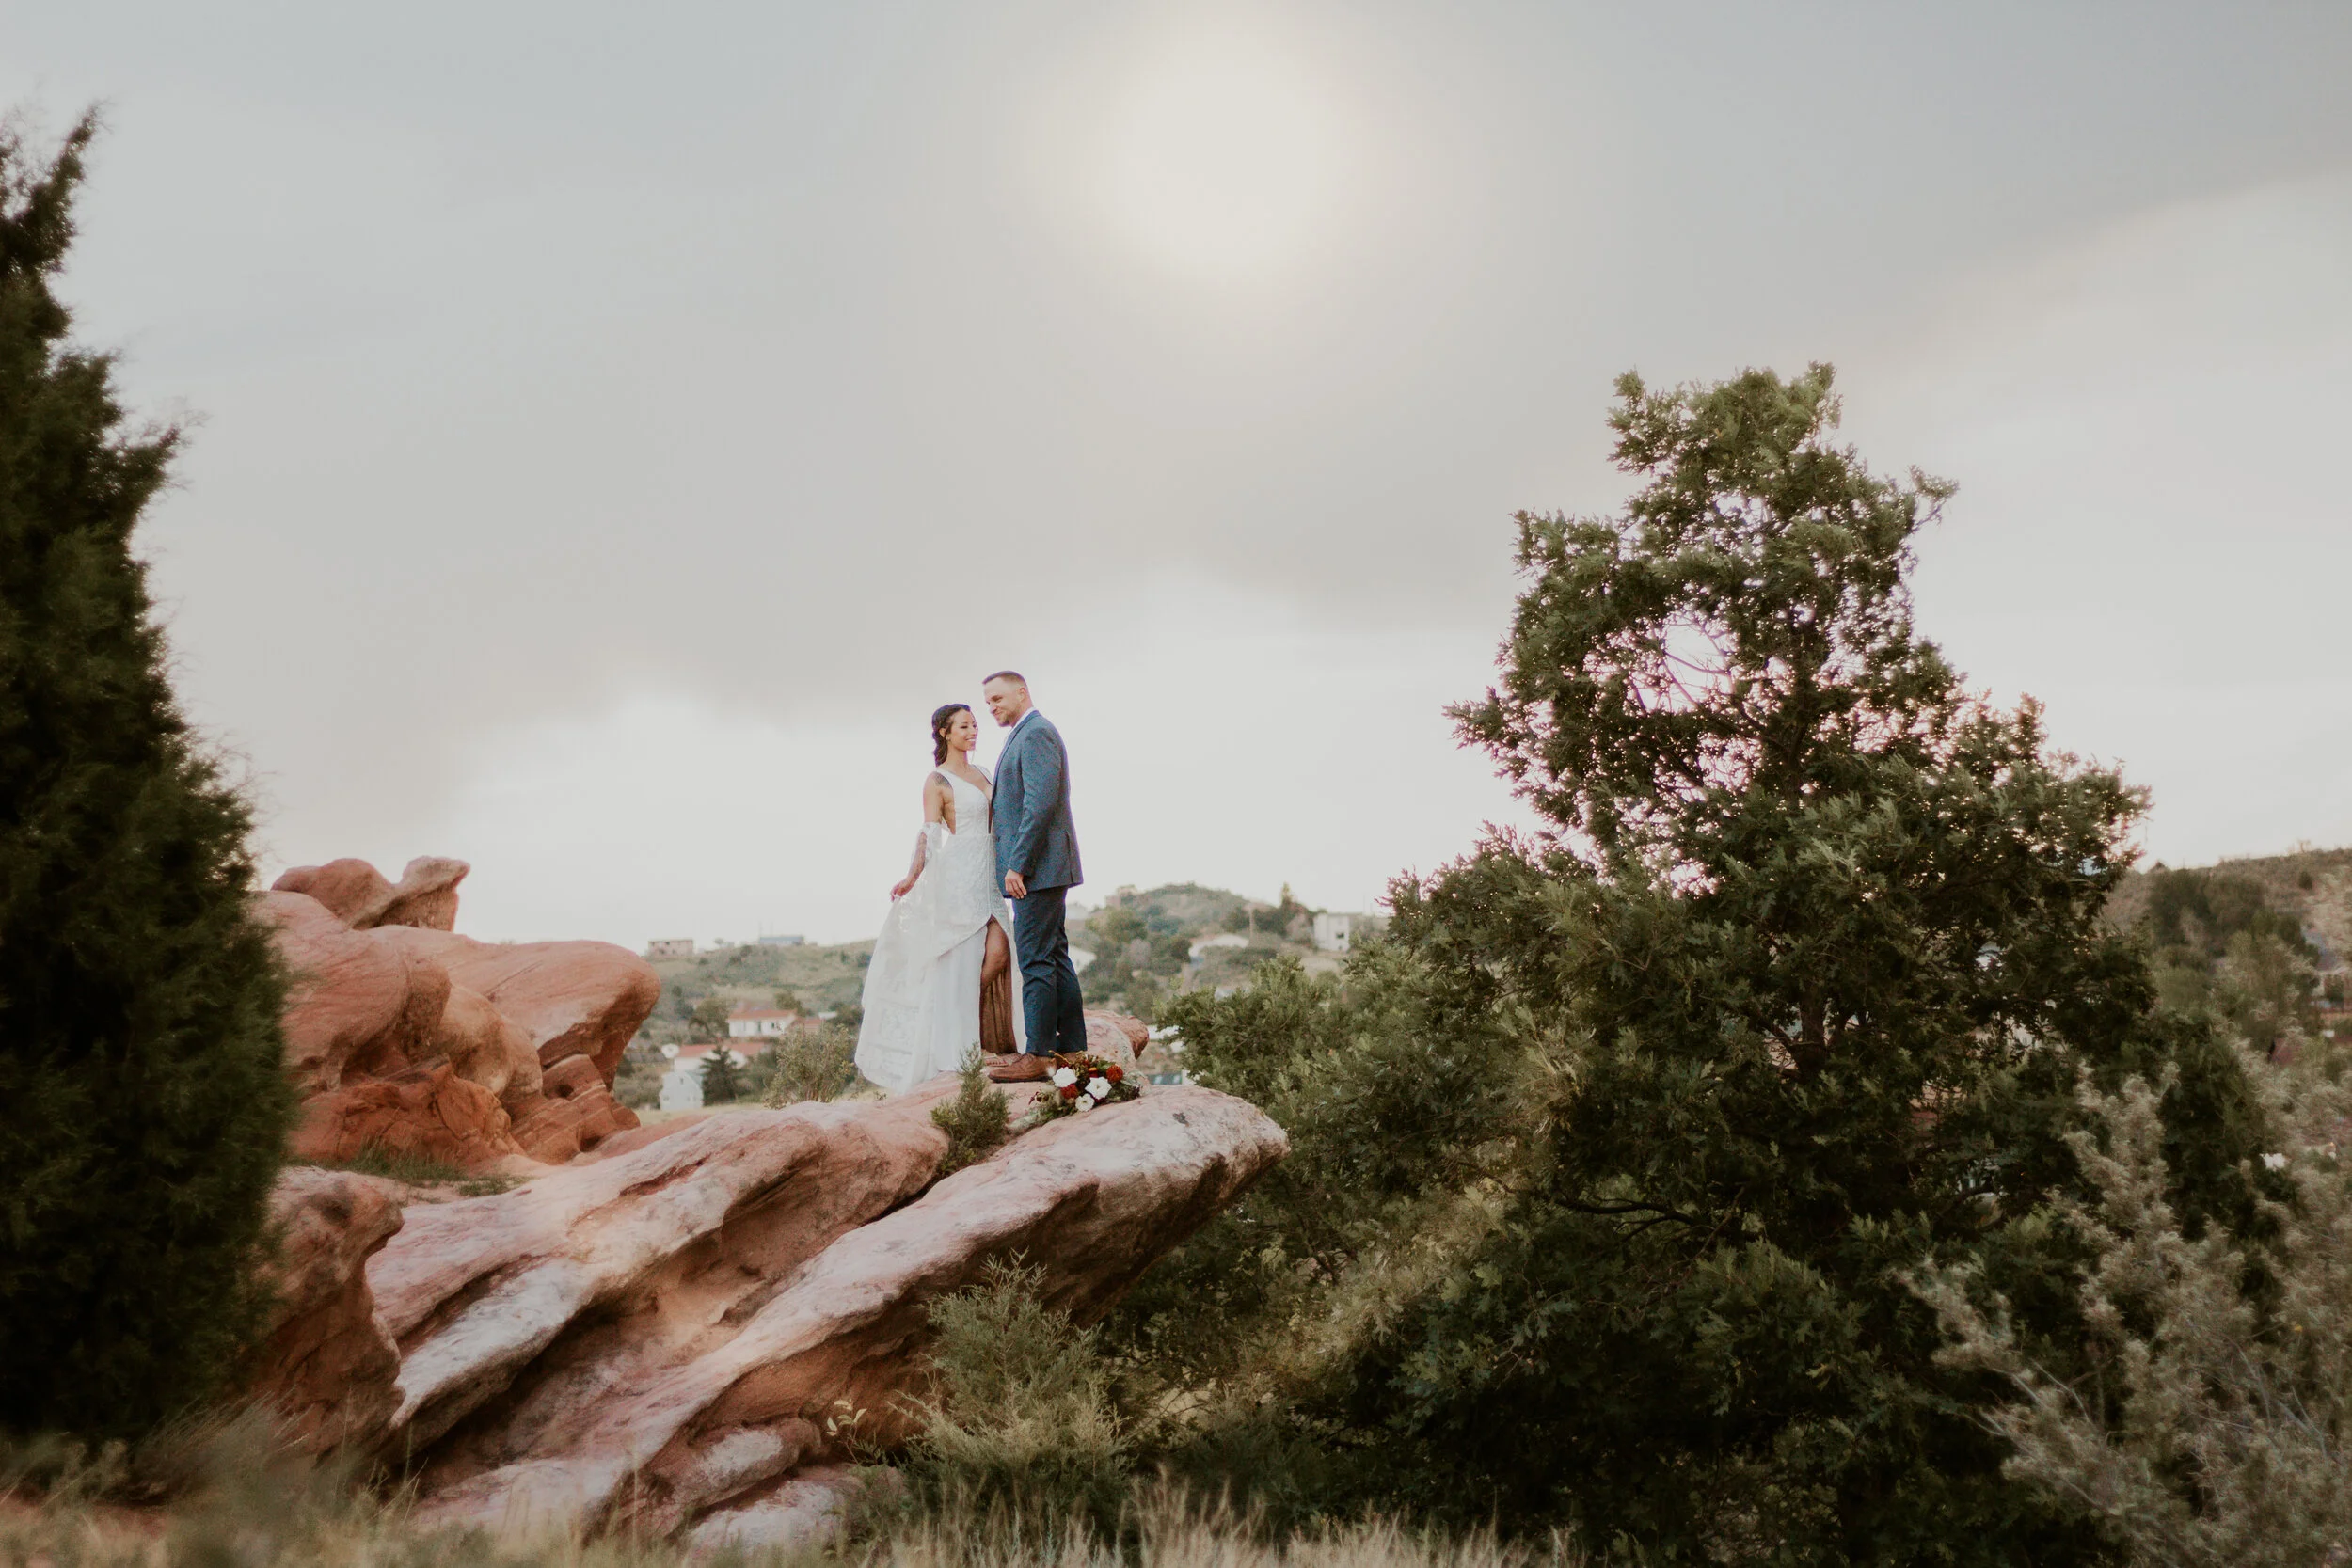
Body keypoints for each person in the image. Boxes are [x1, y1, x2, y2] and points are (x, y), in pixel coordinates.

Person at [852, 703, 1023, 1095]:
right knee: (960, 962)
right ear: (946, 732)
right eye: (965, 726)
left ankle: (972, 1031)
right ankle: (961, 1046)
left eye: (976, 725)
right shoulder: (937, 780)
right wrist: (912, 875)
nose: (974, 731)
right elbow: (930, 833)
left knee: (999, 954)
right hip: (959, 875)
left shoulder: (983, 772)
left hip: (992, 873)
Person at [980, 671, 1086, 1082]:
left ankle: (1039, 1053)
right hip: (1045, 867)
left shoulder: (1037, 732)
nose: (992, 707)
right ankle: (1073, 1050)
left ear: (1022, 692)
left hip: (1037, 869)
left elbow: (1039, 806)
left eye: (997, 698)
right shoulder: (1026, 732)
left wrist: (1017, 864)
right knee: (1055, 955)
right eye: (988, 702)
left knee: (1036, 959)